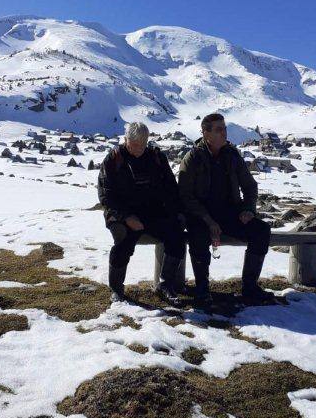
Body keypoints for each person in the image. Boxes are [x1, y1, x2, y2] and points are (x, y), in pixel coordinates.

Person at [178, 113, 272, 305]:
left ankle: (250, 287)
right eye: (219, 129)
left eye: (224, 128)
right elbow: (185, 196)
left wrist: (248, 209)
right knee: (198, 236)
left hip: (230, 213)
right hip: (200, 215)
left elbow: (250, 186)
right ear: (206, 133)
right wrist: (208, 219)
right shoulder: (193, 158)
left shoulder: (232, 155)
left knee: (261, 231)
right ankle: (202, 289)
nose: (224, 133)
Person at [98, 121, 186, 304]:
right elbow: (106, 196)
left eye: (143, 144)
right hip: (120, 214)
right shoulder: (113, 159)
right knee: (123, 239)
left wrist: (176, 213)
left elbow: (171, 188)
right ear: (126, 140)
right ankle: (116, 288)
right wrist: (127, 217)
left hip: (152, 212)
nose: (139, 149)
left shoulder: (156, 157)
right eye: (135, 144)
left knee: (176, 235)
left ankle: (165, 284)